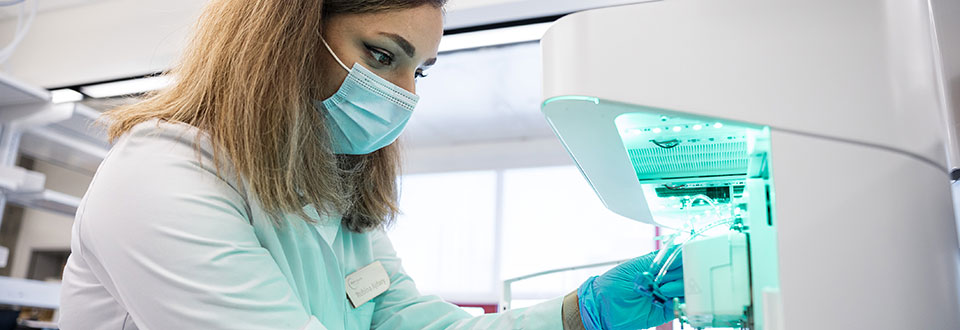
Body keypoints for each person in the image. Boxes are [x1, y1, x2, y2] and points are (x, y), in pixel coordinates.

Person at [57, 0, 684, 329]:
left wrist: (579, 315)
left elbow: (410, 324)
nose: (406, 94)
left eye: (420, 71)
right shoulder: (161, 178)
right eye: (384, 55)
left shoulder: (329, 194)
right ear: (285, 37)